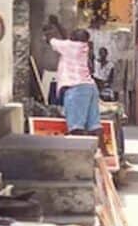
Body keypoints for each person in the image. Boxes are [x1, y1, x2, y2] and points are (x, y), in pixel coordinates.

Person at [45, 16, 108, 155]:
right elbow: (67, 37)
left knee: (76, 127)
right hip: (90, 87)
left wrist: (48, 30)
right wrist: (58, 24)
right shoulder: (84, 46)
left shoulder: (69, 47)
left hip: (76, 88)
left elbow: (51, 40)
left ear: (73, 39)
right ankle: (105, 153)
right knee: (94, 125)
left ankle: (79, 155)